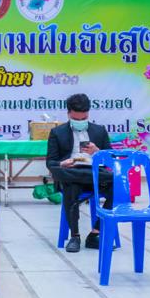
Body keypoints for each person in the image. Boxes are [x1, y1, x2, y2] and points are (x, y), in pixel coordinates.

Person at [45, 93, 114, 253]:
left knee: (116, 183)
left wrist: (97, 151)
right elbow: (51, 162)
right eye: (77, 119)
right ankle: (75, 236)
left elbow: (110, 159)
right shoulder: (57, 133)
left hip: (95, 174)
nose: (81, 121)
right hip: (71, 172)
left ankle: (95, 233)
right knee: (70, 183)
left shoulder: (99, 131)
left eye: (84, 119)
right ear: (68, 113)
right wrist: (62, 163)